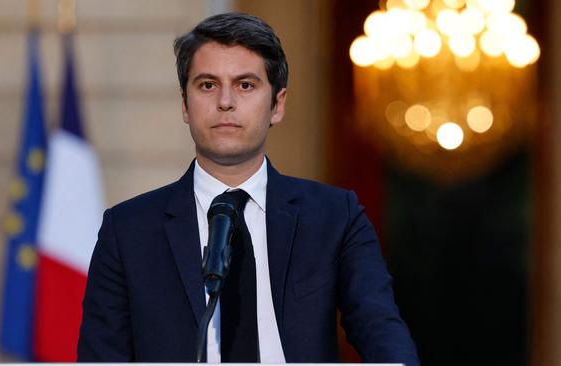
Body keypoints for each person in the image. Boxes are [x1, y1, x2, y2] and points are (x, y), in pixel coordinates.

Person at [77, 12, 419, 365]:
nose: (225, 101)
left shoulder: (336, 217)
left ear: (278, 104)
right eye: (207, 85)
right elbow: (101, 357)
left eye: (245, 85)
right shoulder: (128, 230)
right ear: (185, 105)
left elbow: (381, 330)